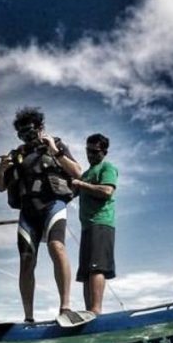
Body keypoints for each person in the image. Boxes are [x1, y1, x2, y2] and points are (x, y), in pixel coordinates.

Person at [0, 107, 82, 322]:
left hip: (52, 204)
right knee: (26, 260)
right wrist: (2, 168)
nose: (27, 137)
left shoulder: (57, 145)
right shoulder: (17, 155)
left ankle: (65, 306)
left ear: (41, 128)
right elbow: (0, 186)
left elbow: (78, 172)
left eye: (31, 132)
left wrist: (55, 150)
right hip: (28, 210)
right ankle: (28, 317)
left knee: (57, 246)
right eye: (22, 134)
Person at [71, 133, 117, 314]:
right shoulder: (85, 174)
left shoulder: (107, 167)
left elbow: (107, 191)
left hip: (102, 223)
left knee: (97, 267)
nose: (90, 155)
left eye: (94, 151)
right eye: (87, 150)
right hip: (86, 227)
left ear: (104, 152)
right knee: (84, 273)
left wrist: (81, 185)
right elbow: (71, 193)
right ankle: (88, 311)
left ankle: (96, 310)